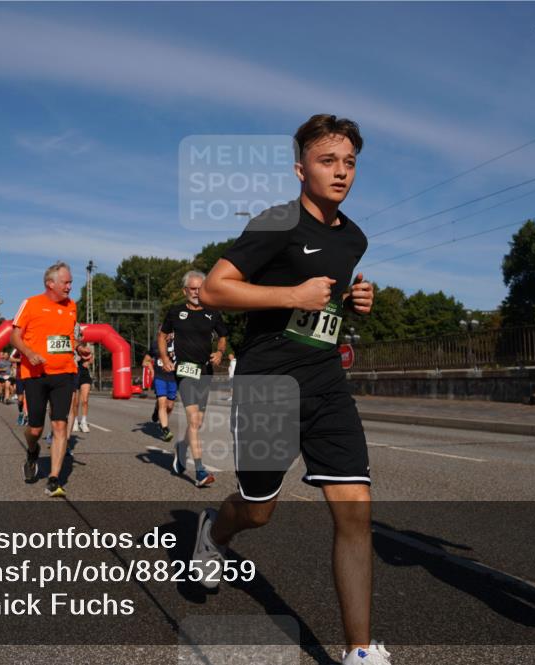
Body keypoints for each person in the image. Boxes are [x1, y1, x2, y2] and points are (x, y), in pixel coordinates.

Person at [194, 115, 387, 664]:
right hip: (267, 385)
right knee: (258, 511)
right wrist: (292, 295)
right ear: (301, 169)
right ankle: (214, 534)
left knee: (355, 509)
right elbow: (214, 290)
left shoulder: (354, 238)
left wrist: (352, 303)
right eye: (328, 161)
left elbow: (325, 299)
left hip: (326, 383)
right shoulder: (277, 223)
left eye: (349, 163)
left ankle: (360, 652)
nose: (341, 172)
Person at [10, 261, 82, 497]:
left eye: (71, 282)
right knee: (35, 429)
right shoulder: (31, 304)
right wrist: (29, 353)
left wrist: (80, 349)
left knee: (60, 424)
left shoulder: (72, 306)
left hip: (64, 373)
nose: (70, 287)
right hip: (35, 375)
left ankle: (53, 478)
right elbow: (14, 336)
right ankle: (32, 451)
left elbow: (69, 337)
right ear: (51, 283)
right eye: (66, 282)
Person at [160, 271, 228, 487]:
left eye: (200, 288)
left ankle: (181, 448)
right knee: (193, 420)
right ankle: (200, 471)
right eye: (192, 288)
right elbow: (162, 335)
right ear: (185, 291)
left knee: (198, 422)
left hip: (205, 371)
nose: (197, 292)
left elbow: (223, 336)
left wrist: (220, 352)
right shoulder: (175, 312)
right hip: (185, 371)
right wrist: (165, 358)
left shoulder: (212, 312)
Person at [144, 333, 178, 441]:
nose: (167, 335)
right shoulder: (155, 345)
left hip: (173, 378)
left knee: (170, 406)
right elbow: (145, 360)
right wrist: (151, 369)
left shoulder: (177, 344)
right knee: (162, 402)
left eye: (169, 332)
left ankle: (157, 411)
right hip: (160, 377)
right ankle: (165, 429)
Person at [72, 342, 94, 433]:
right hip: (74, 373)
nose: (80, 337)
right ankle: (75, 421)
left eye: (81, 336)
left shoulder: (87, 347)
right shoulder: (72, 345)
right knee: (76, 402)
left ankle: (83, 422)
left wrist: (88, 361)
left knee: (85, 400)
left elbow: (91, 360)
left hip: (84, 374)